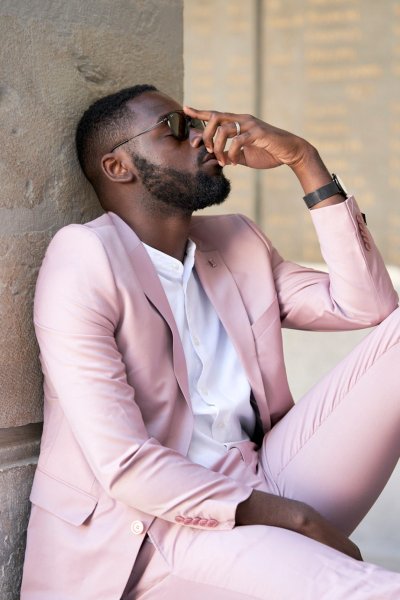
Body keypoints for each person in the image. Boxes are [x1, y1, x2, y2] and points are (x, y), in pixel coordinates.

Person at [21, 83, 400, 599]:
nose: (205, 137)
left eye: (199, 123)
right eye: (177, 129)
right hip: (158, 530)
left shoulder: (235, 241)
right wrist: (299, 522)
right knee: (366, 590)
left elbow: (367, 305)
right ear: (118, 167)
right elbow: (127, 465)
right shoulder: (85, 257)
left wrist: (303, 160)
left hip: (266, 475)